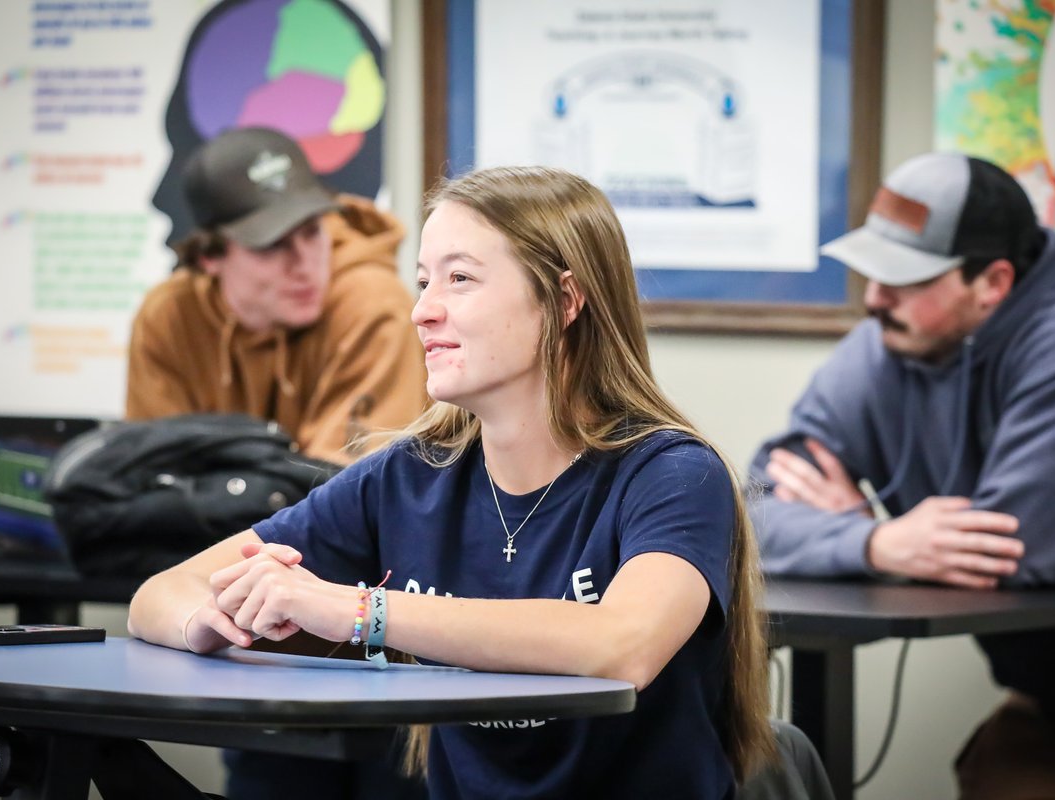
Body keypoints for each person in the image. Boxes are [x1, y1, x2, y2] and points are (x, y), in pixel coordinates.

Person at [129, 165, 775, 798]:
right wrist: (213, 623)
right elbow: (159, 595)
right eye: (422, 281)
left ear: (566, 299)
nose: (421, 312)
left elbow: (623, 645)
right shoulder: (404, 477)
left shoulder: (673, 473)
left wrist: (357, 610)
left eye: (460, 279)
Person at [749, 152, 1055, 798]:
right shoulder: (892, 341)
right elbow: (754, 503)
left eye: (904, 280)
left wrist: (857, 533)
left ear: (993, 284)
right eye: (872, 272)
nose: (874, 299)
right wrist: (869, 541)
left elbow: (1006, 551)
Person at [126, 126, 428, 465]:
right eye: (272, 245)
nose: (304, 265)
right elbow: (152, 476)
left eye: (313, 231)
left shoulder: (373, 303)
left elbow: (348, 493)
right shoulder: (168, 316)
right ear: (209, 256)